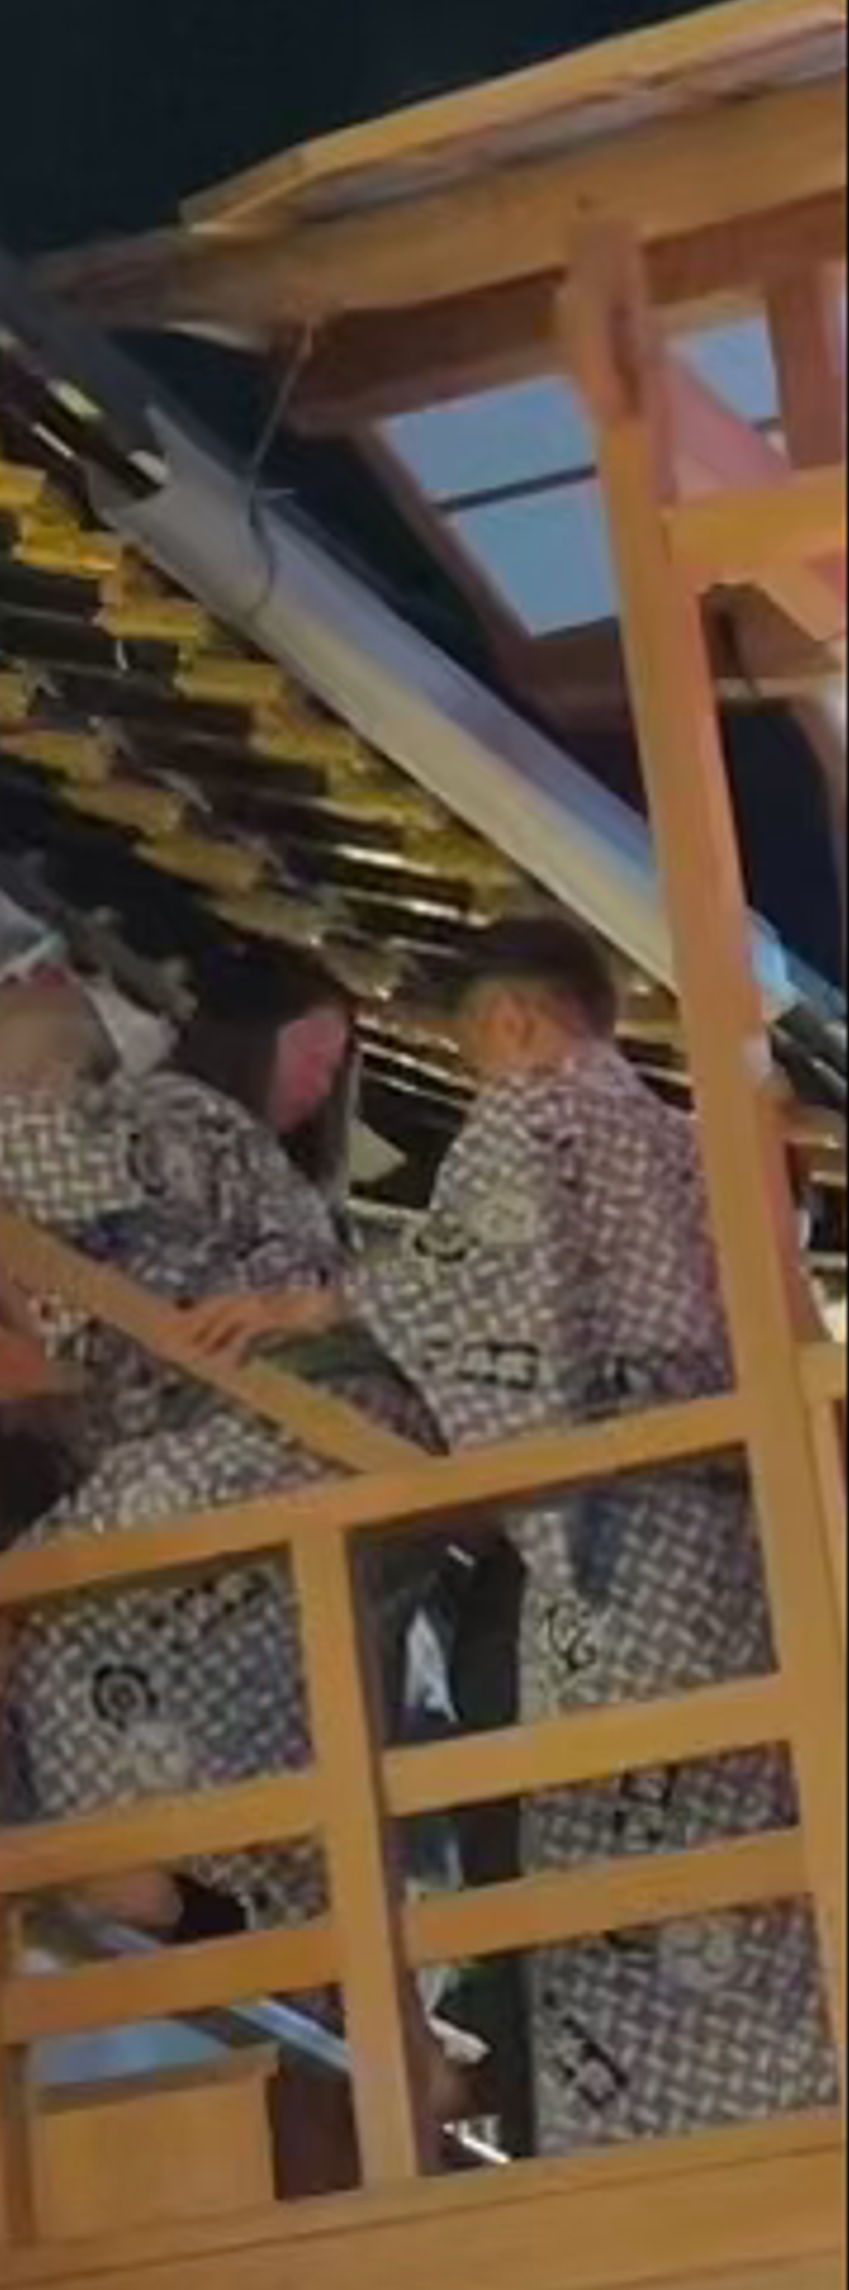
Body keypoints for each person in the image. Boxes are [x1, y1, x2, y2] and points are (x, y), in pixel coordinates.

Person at [345, 913, 835, 2151]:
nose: (476, 1082)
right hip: (740, 1560)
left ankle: (572, 2102)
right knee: (738, 1849)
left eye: (470, 1052)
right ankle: (774, 2111)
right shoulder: (710, 1148)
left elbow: (475, 1292)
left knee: (581, 1848)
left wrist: (327, 1295)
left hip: (615, 1548)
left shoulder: (535, 1115)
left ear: (511, 1019)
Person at [0, 946, 423, 1928]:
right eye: (316, 1056)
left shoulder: (202, 1131)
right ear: (251, 1033)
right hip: (293, 1450)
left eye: (334, 1070)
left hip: (266, 1433)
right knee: (267, 1708)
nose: (322, 1084)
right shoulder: (189, 1122)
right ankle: (237, 1910)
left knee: (36, 1610)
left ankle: (134, 1881)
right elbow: (83, 1163)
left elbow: (48, 1156)